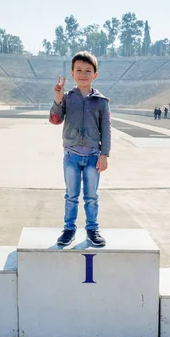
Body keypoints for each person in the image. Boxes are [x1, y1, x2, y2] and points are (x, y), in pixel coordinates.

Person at [49, 51, 111, 247]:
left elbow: (106, 129)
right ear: (72, 73)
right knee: (71, 195)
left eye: (88, 70)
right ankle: (69, 229)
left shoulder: (101, 101)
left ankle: (92, 229)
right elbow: (55, 119)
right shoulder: (68, 97)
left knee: (91, 195)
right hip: (71, 156)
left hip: (93, 156)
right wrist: (58, 98)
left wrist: (104, 154)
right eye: (79, 70)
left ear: (95, 74)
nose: (83, 74)